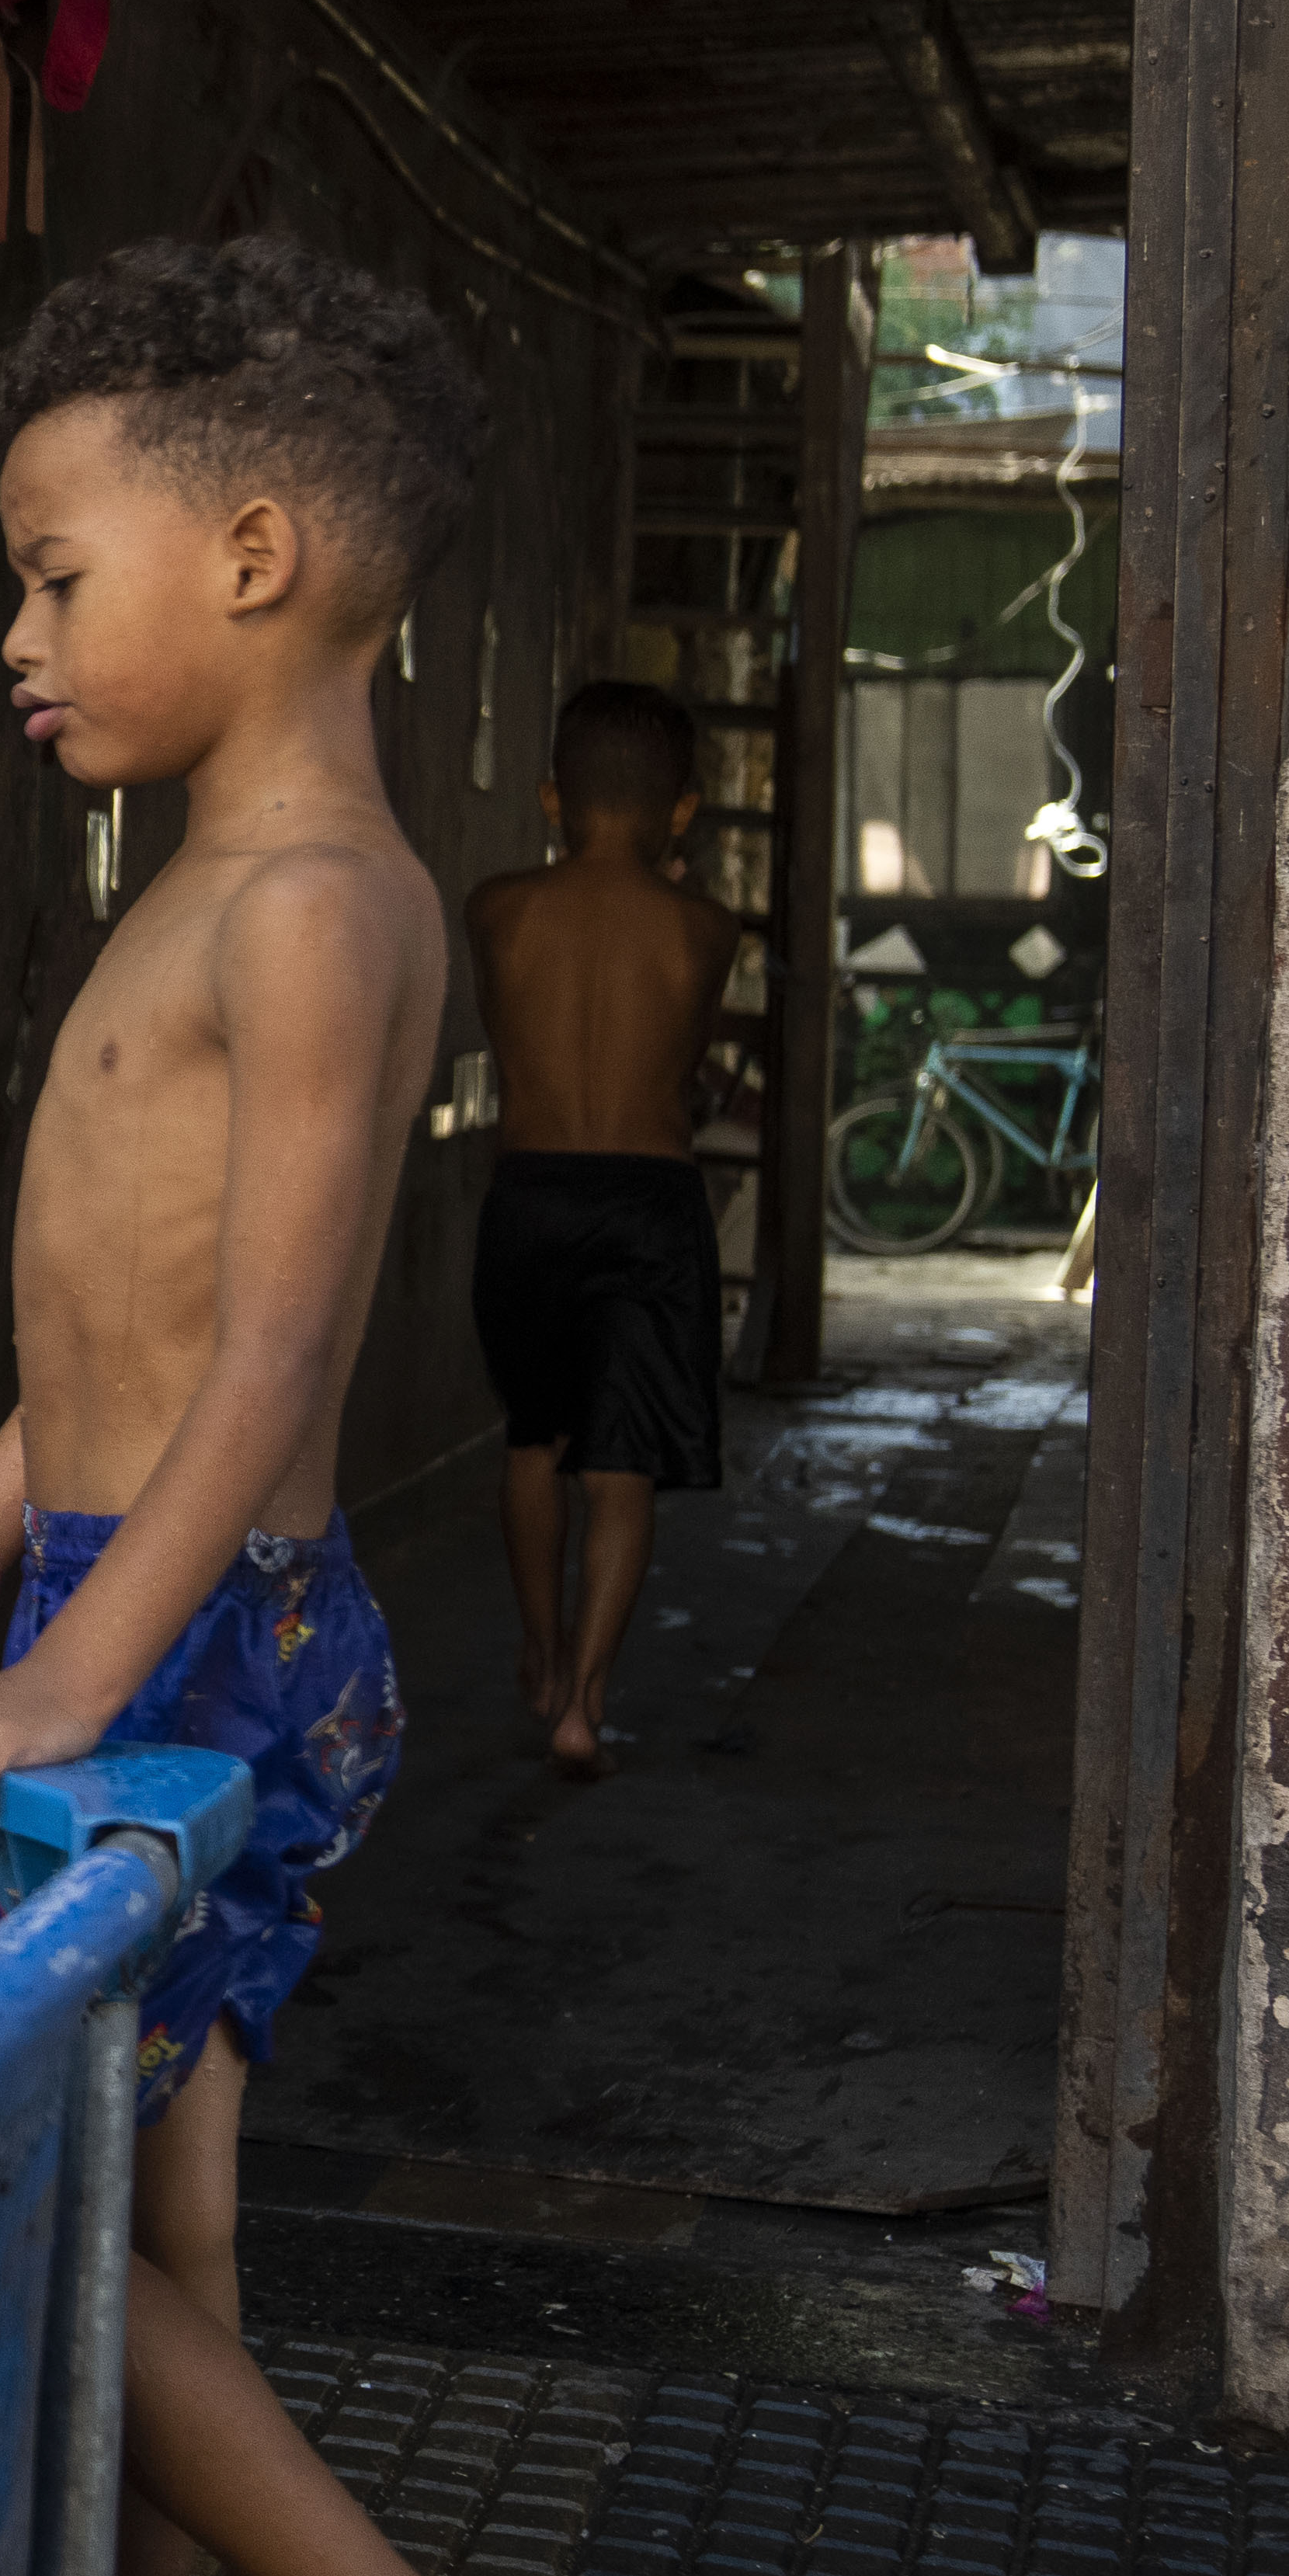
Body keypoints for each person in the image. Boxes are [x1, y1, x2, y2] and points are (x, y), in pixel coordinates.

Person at [0, 235, 562, 2576]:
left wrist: (46, 1686)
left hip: (204, 1623)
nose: (13, 631)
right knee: (157, 2251)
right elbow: (119, 1329)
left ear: (252, 556)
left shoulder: (316, 907)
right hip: (137, 1576)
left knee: (29, 2200)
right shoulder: (202, 879)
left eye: (50, 569)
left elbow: (266, 1367)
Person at [463, 678, 739, 1772]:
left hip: (530, 1193)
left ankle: (535, 1646)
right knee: (622, 1468)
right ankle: (584, 1697)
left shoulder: (497, 909)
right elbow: (681, 1058)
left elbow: (509, 1023)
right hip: (648, 1202)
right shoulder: (705, 929)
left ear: (548, 797)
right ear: (683, 810)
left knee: (537, 1440)